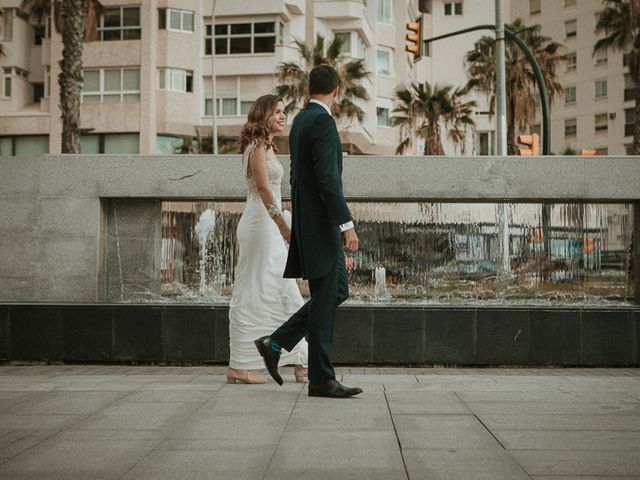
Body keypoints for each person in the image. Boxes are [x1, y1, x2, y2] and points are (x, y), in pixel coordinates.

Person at [255, 65, 362, 398]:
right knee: (330, 294)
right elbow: (329, 179)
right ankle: (320, 378)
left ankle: (276, 343)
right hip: (322, 225)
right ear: (337, 91)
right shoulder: (323, 122)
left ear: (310, 87)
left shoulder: (301, 120)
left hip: (308, 224)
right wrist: (346, 225)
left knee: (335, 292)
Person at [227, 94, 308, 385]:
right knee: (254, 289)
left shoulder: (268, 146)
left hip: (268, 223)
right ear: (263, 115)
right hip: (261, 224)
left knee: (282, 287)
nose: (283, 116)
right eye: (277, 112)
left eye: (284, 111)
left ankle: (301, 360)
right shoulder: (257, 146)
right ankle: (239, 365)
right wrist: (282, 225)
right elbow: (262, 187)